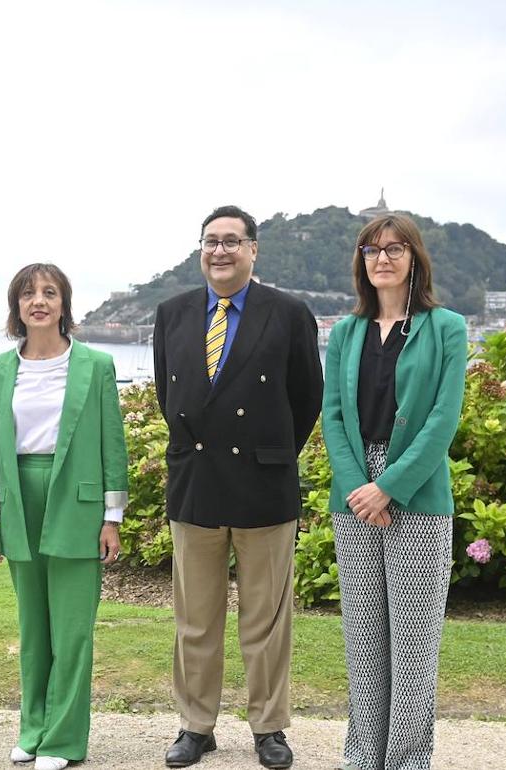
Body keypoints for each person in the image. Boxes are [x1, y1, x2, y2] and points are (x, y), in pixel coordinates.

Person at [153, 205, 323, 769]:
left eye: (232, 241)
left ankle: (268, 727)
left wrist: (271, 454)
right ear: (200, 250)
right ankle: (195, 726)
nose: (220, 251)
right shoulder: (172, 313)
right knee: (195, 619)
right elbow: (168, 395)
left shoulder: (289, 313)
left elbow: (307, 399)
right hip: (196, 484)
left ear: (254, 249)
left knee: (266, 621)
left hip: (264, 485)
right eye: (210, 241)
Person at [321, 213, 467, 770]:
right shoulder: (345, 332)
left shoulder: (446, 327)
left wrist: (389, 487)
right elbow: (333, 414)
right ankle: (361, 758)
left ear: (414, 258)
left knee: (412, 643)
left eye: (395, 248)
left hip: (417, 490)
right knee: (363, 641)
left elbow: (442, 417)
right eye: (371, 249)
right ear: (361, 261)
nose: (382, 258)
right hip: (355, 493)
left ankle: (407, 761)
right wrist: (360, 486)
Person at [0, 263, 129, 770]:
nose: (38, 301)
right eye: (28, 294)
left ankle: (62, 740)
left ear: (64, 304)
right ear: (16, 307)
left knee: (72, 630)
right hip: (20, 498)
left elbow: (113, 445)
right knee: (33, 627)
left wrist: (113, 517)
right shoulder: (0, 368)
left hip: (77, 504)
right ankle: (33, 728)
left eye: (48, 293)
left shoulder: (96, 365)